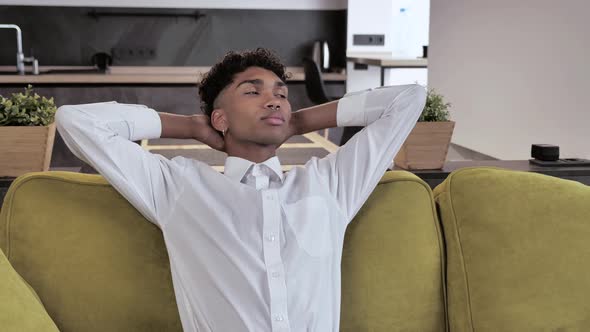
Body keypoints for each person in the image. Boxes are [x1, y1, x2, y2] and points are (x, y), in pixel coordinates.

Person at [55, 48, 426, 332]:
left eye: (282, 94)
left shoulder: (330, 183)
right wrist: (191, 126)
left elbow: (408, 99)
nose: (274, 100)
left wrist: (299, 121)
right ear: (220, 118)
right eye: (253, 92)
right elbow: (76, 121)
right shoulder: (180, 187)